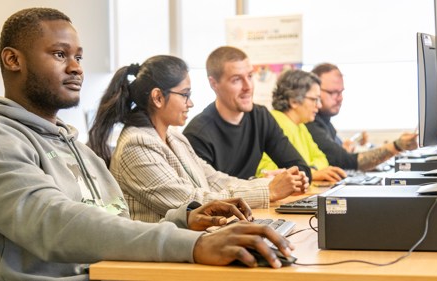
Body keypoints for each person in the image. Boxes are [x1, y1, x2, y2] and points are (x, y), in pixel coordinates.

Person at [0, 8, 295, 280]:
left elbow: (111, 224)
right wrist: (190, 245)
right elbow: (57, 224)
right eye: (60, 54)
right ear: (12, 60)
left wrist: (183, 220)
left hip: (110, 273)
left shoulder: (74, 146)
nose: (76, 67)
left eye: (78, 56)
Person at [87, 55, 306, 223]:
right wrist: (268, 191)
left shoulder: (172, 136)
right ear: (158, 97)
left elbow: (214, 179)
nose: (190, 103)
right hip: (158, 261)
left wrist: (270, 184)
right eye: (185, 95)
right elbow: (191, 201)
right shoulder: (136, 145)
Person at [183, 46, 312, 185]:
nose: (248, 86)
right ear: (214, 84)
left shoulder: (260, 117)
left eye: (250, 76)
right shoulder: (198, 134)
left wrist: (286, 178)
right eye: (236, 79)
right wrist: (261, 184)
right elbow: (206, 193)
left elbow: (302, 169)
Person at [306, 63, 418, 171]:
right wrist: (396, 146)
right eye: (333, 92)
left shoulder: (326, 122)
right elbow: (345, 161)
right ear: (314, 90)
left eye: (341, 92)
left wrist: (347, 147)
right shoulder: (310, 122)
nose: (340, 98)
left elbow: (340, 154)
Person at [257, 69, 347, 182]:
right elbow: (266, 169)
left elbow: (322, 158)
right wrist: (311, 174)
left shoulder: (301, 126)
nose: (318, 105)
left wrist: (310, 171)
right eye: (314, 99)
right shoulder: (273, 123)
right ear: (294, 101)